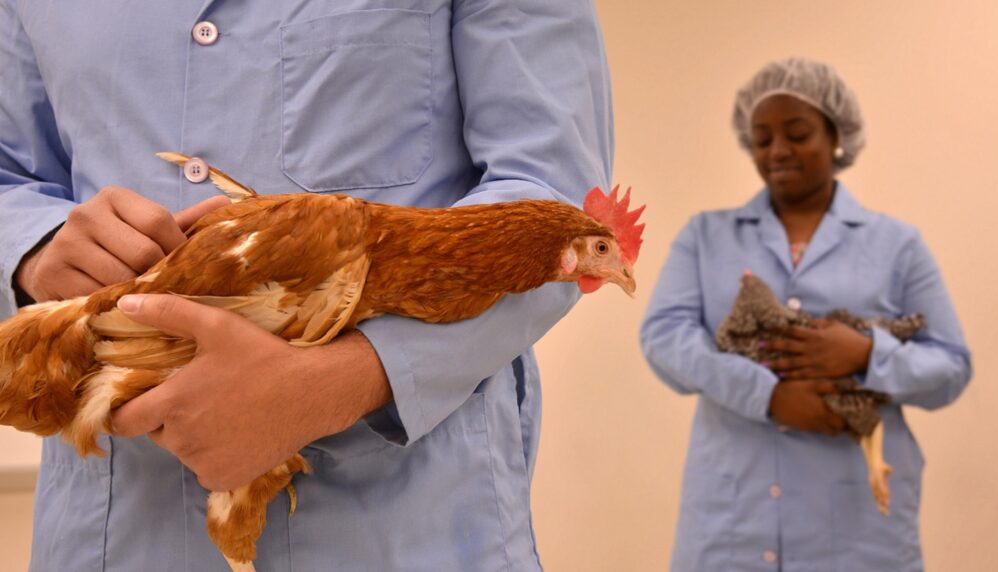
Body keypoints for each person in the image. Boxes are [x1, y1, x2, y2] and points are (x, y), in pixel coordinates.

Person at [0, 2, 612, 570]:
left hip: (401, 524)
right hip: (115, 524)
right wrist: (36, 247)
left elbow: (557, 203)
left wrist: (354, 377)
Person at [640, 58, 971, 571]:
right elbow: (665, 339)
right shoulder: (705, 236)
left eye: (797, 133)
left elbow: (951, 368)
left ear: (837, 137)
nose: (777, 151)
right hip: (733, 523)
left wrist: (865, 353)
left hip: (859, 530)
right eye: (762, 138)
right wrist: (768, 395)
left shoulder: (897, 245)